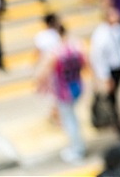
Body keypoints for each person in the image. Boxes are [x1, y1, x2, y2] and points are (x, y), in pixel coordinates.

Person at [36, 25, 86, 163]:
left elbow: (43, 72)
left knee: (69, 121)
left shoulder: (56, 52)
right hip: (76, 86)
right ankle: (78, 146)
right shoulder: (77, 46)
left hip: (64, 91)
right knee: (73, 118)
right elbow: (85, 63)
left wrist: (41, 85)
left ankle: (77, 149)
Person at [90, 8, 120, 139]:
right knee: (112, 98)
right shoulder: (101, 34)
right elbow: (98, 57)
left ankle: (116, 121)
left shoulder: (118, 29)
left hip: (118, 66)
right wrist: (105, 77)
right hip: (109, 70)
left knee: (114, 96)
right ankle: (117, 123)